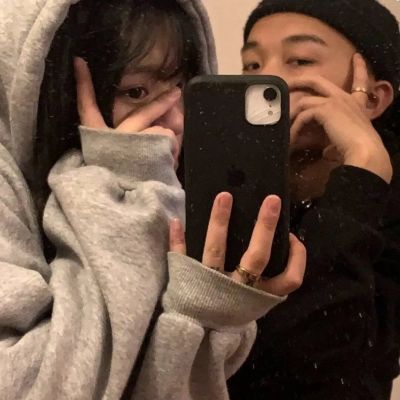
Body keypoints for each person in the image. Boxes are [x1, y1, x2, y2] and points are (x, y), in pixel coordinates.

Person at [0, 0, 306, 399]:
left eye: (183, 90)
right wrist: (119, 190)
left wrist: (204, 313)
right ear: (52, 92)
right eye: (136, 92)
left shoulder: (167, 189)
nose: (176, 121)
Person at [227, 0, 400, 399]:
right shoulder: (216, 183)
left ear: (374, 99)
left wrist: (363, 168)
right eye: (252, 64)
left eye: (301, 60)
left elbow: (325, 371)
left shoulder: (389, 220)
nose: (266, 79)